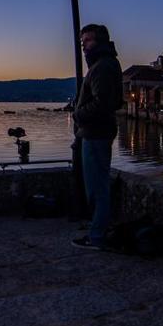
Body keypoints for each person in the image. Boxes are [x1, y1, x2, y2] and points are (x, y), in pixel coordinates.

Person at [71, 24, 123, 249]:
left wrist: (78, 114)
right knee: (97, 185)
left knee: (97, 188)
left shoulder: (102, 67)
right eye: (82, 42)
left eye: (87, 41)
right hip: (97, 132)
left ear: (100, 42)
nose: (83, 46)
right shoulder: (106, 64)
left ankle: (97, 236)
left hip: (95, 134)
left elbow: (103, 103)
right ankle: (97, 229)